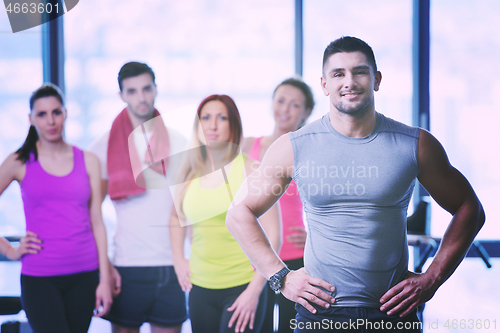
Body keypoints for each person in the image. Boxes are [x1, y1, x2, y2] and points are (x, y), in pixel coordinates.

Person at [226, 36, 485, 332]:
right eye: (338, 74)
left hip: (393, 313)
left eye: (359, 71)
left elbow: (470, 209)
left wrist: (433, 277)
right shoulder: (293, 147)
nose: (349, 81)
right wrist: (280, 277)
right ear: (324, 85)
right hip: (320, 314)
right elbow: (238, 213)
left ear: (376, 79)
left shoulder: (414, 144)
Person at [0, 84, 113, 333]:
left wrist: (104, 279)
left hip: (85, 275)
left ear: (65, 113)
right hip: (40, 279)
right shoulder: (19, 161)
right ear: (31, 119)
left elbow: (97, 221)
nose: (50, 121)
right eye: (42, 114)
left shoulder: (89, 161)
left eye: (56, 112)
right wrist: (10, 250)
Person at [169, 94, 281, 333]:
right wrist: (178, 259)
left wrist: (254, 292)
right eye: (205, 118)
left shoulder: (252, 169)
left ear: (233, 124)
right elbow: (175, 218)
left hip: (242, 287)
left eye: (222, 117)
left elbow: (273, 235)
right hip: (200, 288)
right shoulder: (189, 173)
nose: (212, 124)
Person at [90, 62, 188, 333]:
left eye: (146, 89)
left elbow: (188, 208)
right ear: (121, 95)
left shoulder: (179, 141)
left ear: (155, 89)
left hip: (173, 264)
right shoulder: (103, 147)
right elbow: (92, 215)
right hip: (127, 266)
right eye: (132, 91)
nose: (141, 97)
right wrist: (106, 267)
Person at [241, 78, 314, 333]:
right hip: (255, 256)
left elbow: (326, 201)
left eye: (295, 105)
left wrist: (315, 237)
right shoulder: (248, 145)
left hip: (294, 255)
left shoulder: (306, 151)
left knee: (287, 328)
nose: (285, 109)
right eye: (281, 101)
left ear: (306, 113)